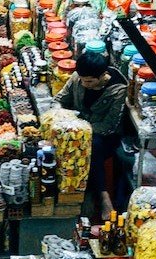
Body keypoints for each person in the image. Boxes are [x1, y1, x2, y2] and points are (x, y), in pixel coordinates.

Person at [55, 50, 129, 216]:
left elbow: (109, 125)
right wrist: (60, 116)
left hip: (104, 136)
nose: (84, 84)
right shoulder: (78, 77)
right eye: (82, 80)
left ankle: (103, 197)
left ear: (102, 76)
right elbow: (60, 100)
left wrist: (80, 128)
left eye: (89, 81)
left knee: (91, 147)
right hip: (74, 127)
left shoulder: (118, 90)